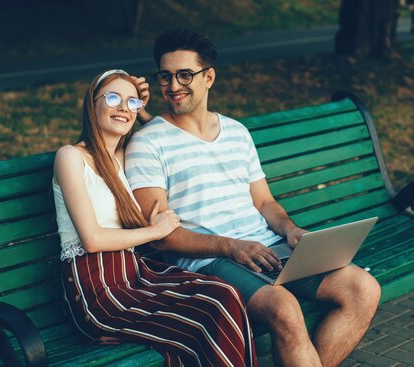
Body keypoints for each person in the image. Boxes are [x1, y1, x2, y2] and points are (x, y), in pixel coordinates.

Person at [125, 28, 382, 367]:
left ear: (209, 77)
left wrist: (290, 230)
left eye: (185, 74)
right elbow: (162, 237)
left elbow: (264, 203)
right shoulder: (148, 142)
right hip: (210, 262)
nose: (174, 86)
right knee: (285, 309)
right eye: (166, 76)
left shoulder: (236, 132)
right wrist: (231, 246)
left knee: (363, 288)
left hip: (266, 247)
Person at [53, 68, 257, 367]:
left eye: (131, 102)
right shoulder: (70, 156)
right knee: (211, 308)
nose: (124, 108)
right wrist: (155, 231)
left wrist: (144, 112)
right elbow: (92, 239)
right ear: (92, 104)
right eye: (113, 98)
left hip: (134, 277)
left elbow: (161, 138)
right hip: (98, 292)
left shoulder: (121, 158)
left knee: (224, 292)